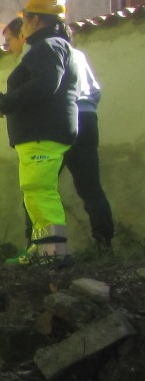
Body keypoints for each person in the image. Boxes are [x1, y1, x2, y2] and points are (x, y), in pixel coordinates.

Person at [0, 0, 78, 263]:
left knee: (39, 189)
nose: (24, 25)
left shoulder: (48, 46)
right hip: (41, 131)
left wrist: (7, 102)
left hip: (42, 131)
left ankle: (51, 253)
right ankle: (44, 249)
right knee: (36, 190)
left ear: (34, 20)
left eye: (25, 19)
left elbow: (44, 85)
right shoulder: (53, 45)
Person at [67, 40, 114, 251]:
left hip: (63, 118)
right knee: (90, 185)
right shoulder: (79, 55)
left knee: (41, 185)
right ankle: (104, 241)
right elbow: (95, 91)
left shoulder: (48, 53)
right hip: (87, 117)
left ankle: (42, 245)